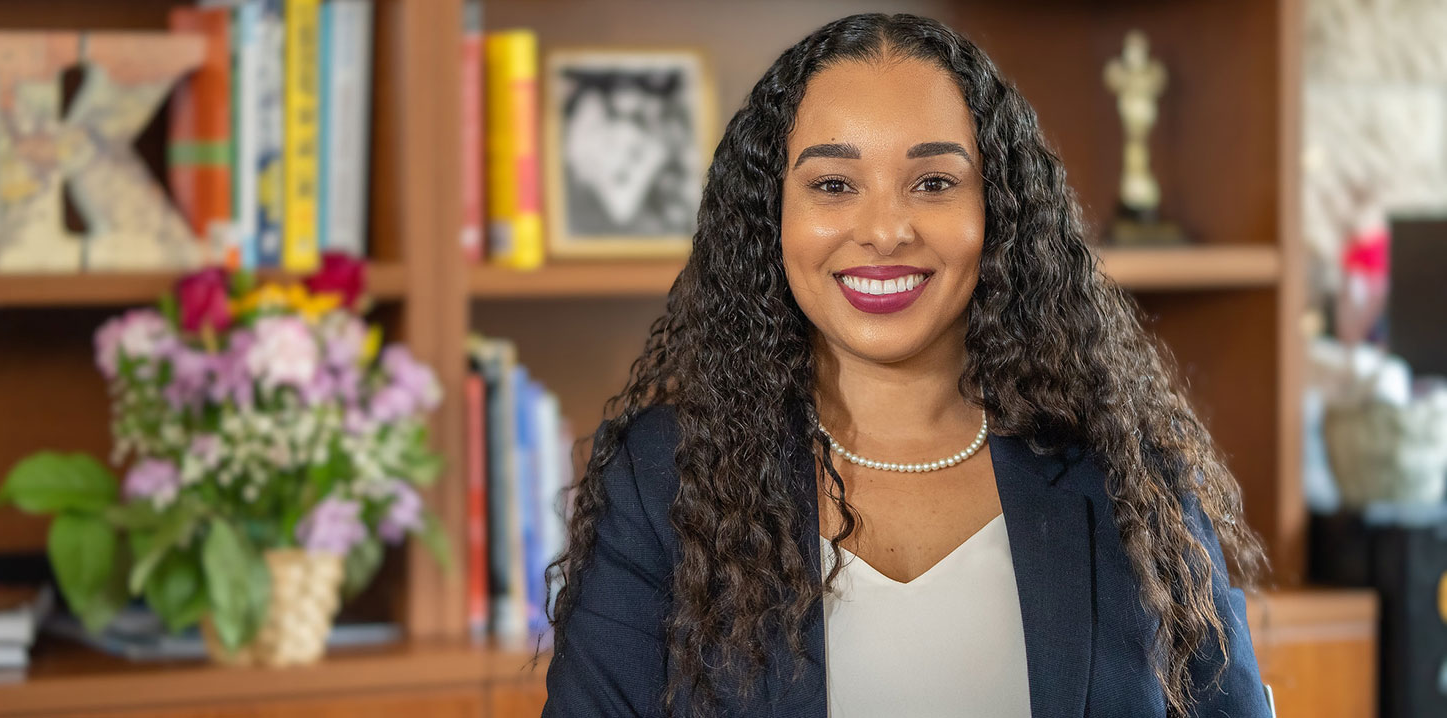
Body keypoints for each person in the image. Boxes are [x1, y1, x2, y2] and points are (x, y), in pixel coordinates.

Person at [538, 12, 1273, 718]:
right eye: (833, 185)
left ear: (999, 211)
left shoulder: (1123, 471)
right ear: (773, 215)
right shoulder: (666, 474)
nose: (886, 230)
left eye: (933, 183)